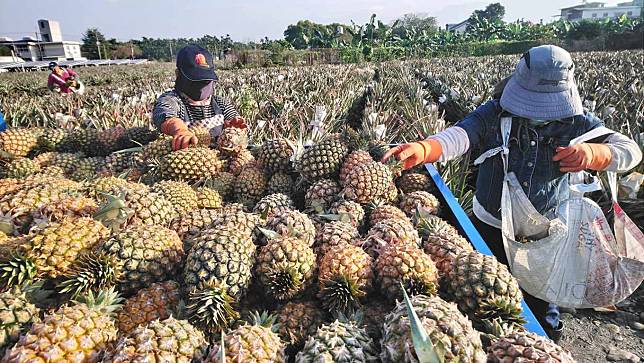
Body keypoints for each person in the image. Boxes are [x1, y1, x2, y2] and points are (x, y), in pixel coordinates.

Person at [383, 45, 642, 339]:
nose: (538, 113)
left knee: (540, 297)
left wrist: (596, 153)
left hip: (544, 232)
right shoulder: (495, 113)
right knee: (482, 290)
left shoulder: (577, 122)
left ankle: (544, 341)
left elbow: (629, 151)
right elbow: (461, 134)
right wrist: (426, 148)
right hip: (489, 224)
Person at [152, 44, 245, 150]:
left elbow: (233, 119)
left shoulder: (220, 103)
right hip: (185, 160)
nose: (201, 85)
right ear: (178, 74)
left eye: (205, 81)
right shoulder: (173, 100)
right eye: (195, 80)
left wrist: (234, 126)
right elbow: (165, 115)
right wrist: (180, 130)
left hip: (218, 160)